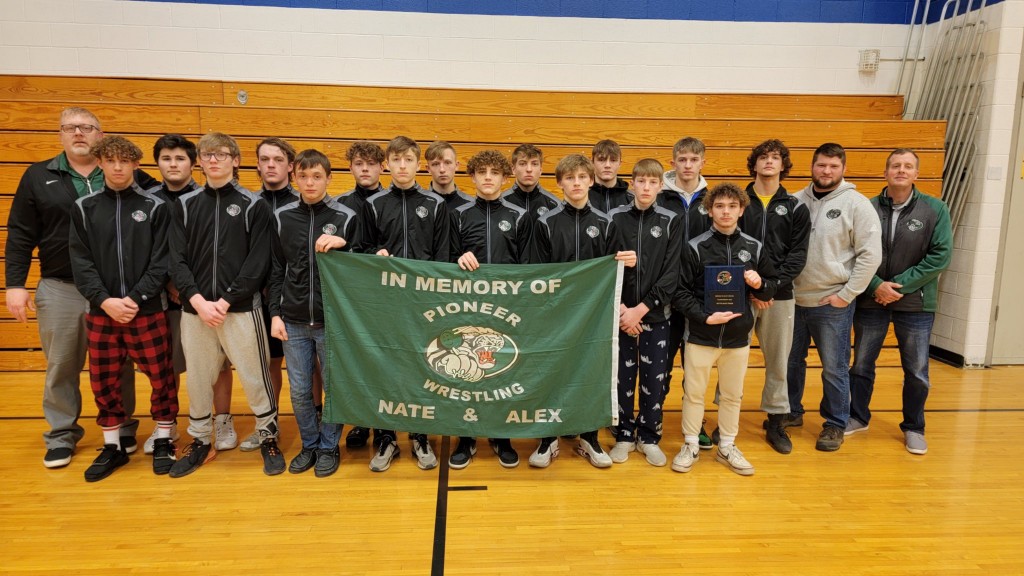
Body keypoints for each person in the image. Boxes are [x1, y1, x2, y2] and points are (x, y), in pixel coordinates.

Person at [5, 107, 156, 468]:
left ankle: (122, 425)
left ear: (100, 136)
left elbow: (166, 198)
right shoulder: (38, 175)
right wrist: (14, 284)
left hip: (116, 289)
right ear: (60, 134)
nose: (78, 133)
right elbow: (21, 233)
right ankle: (61, 433)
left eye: (86, 127)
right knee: (62, 364)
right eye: (70, 127)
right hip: (63, 286)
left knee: (118, 363)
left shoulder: (125, 172)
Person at [166, 132, 284, 477]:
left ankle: (268, 437)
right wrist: (197, 300)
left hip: (242, 310)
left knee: (255, 375)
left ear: (235, 160)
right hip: (196, 312)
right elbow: (176, 260)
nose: (214, 159)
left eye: (221, 154)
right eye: (207, 154)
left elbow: (259, 261)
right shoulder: (184, 205)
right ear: (200, 162)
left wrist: (226, 299)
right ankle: (202, 440)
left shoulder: (254, 205)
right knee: (198, 378)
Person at [68, 135, 177, 480]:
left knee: (161, 376)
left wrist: (135, 298)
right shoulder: (84, 207)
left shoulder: (155, 207)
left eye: (124, 161)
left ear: (135, 164)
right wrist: (105, 300)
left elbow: (162, 261)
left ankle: (164, 438)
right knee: (103, 380)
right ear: (100, 163)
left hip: (147, 309)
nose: (117, 167)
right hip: (102, 312)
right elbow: (81, 261)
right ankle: (112, 446)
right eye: (111, 160)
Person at [529, 153, 634, 469]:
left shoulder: (605, 223)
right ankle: (548, 437)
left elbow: (614, 272)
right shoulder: (546, 223)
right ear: (559, 183)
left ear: (591, 181)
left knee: (591, 374)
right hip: (554, 315)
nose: (576, 183)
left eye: (582, 177)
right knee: (551, 372)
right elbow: (538, 272)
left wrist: (627, 262)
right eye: (569, 178)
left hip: (593, 316)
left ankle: (589, 437)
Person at [847, 149, 952, 455]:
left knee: (916, 369)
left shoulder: (935, 209)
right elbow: (852, 252)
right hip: (871, 300)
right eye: (895, 165)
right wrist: (876, 286)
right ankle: (857, 416)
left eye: (908, 166)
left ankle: (914, 427)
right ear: (885, 172)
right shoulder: (866, 207)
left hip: (916, 303)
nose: (901, 170)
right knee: (861, 363)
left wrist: (899, 286)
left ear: (916, 174)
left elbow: (940, 255)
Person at [670, 183, 777, 476]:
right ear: (709, 210)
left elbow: (771, 287)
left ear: (741, 210)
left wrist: (759, 284)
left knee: (732, 395)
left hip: (738, 338)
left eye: (732, 206)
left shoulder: (754, 247)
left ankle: (727, 445)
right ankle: (691, 444)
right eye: (719, 206)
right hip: (701, 335)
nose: (726, 212)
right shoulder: (695, 247)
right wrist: (705, 318)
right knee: (694, 393)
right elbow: (680, 293)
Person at [269, 149, 364, 478]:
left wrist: (343, 245)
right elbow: (275, 269)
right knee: (299, 390)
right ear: (294, 177)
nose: (310, 183)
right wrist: (274, 314)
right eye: (304, 176)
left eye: (317, 176)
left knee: (334, 388)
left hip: (331, 320)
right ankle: (309, 444)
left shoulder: (346, 217)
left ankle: (328, 446)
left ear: (329, 178)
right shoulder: (282, 217)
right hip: (293, 320)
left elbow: (363, 265)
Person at [144, 134, 236, 456]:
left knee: (218, 364)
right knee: (167, 364)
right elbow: (149, 251)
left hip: (202, 298)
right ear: (157, 163)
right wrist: (169, 284)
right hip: (161, 296)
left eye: (180, 158)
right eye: (166, 158)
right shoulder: (148, 201)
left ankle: (222, 419)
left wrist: (189, 290)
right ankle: (166, 423)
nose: (173, 164)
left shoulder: (207, 196)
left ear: (192, 163)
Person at [787, 142, 882, 452]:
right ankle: (791, 411)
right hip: (793, 300)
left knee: (834, 367)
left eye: (833, 166)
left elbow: (870, 255)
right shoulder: (794, 201)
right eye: (821, 165)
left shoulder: (857, 204)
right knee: (790, 362)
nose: (826, 171)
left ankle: (835, 422)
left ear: (843, 169)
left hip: (832, 302)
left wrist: (847, 294)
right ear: (812, 166)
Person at [365, 135, 450, 472]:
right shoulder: (374, 204)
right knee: (383, 369)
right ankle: (385, 438)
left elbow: (443, 258)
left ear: (419, 165)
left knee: (421, 369)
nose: (402, 166)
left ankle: (420, 435)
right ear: (387, 164)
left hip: (423, 305)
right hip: (384, 305)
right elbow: (361, 249)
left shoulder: (436, 205)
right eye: (396, 160)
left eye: (408, 160)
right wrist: (374, 255)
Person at [448, 149, 531, 469]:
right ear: (471, 176)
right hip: (466, 308)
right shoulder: (458, 214)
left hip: (506, 310)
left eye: (494, 172)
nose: (487, 178)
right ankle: (466, 436)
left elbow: (528, 268)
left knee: (502, 372)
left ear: (504, 178)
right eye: (481, 172)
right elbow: (443, 260)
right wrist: (457, 259)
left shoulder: (520, 216)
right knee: (466, 371)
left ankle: (501, 435)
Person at [736, 139, 809, 454]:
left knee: (779, 361)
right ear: (754, 164)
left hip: (780, 295)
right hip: (740, 294)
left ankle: (777, 421)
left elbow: (798, 256)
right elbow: (728, 245)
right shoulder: (738, 201)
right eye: (763, 157)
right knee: (732, 358)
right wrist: (754, 287)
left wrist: (769, 287)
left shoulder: (796, 206)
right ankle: (726, 419)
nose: (768, 161)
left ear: (783, 165)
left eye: (775, 157)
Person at [607, 158, 680, 466]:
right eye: (641, 181)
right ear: (632, 183)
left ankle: (649, 436)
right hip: (621, 316)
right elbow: (604, 265)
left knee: (654, 378)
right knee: (622, 378)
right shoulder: (614, 217)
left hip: (655, 315)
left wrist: (641, 309)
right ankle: (624, 434)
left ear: (661, 186)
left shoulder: (671, 220)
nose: (646, 187)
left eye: (652, 182)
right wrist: (623, 309)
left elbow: (671, 273)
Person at [656, 136, 713, 448]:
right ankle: (653, 418)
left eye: (693, 160)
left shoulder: (713, 198)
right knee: (660, 364)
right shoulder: (659, 197)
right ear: (673, 162)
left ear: (703, 162)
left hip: (700, 296)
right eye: (682, 160)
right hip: (666, 293)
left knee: (696, 368)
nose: (688, 165)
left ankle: (696, 423)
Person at [336, 140, 386, 450]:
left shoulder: (390, 202)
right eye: (358, 164)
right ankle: (361, 420)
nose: (365, 169)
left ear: (382, 167)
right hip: (352, 299)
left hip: (386, 297)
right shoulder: (339, 205)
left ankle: (385, 426)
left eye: (370, 163)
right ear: (350, 167)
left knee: (384, 360)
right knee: (357, 361)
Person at [501, 144, 560, 223]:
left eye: (534, 164)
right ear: (513, 169)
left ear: (540, 170)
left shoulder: (555, 205)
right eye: (522, 164)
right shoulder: (501, 202)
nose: (529, 169)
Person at [425, 141, 473, 211]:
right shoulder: (418, 204)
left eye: (447, 163)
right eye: (435, 164)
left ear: (456, 165)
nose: (442, 170)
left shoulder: (471, 205)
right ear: (428, 168)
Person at [589, 139, 632, 214]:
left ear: (620, 163)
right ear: (592, 162)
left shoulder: (632, 200)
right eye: (601, 160)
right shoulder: (582, 197)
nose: (607, 165)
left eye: (613, 160)